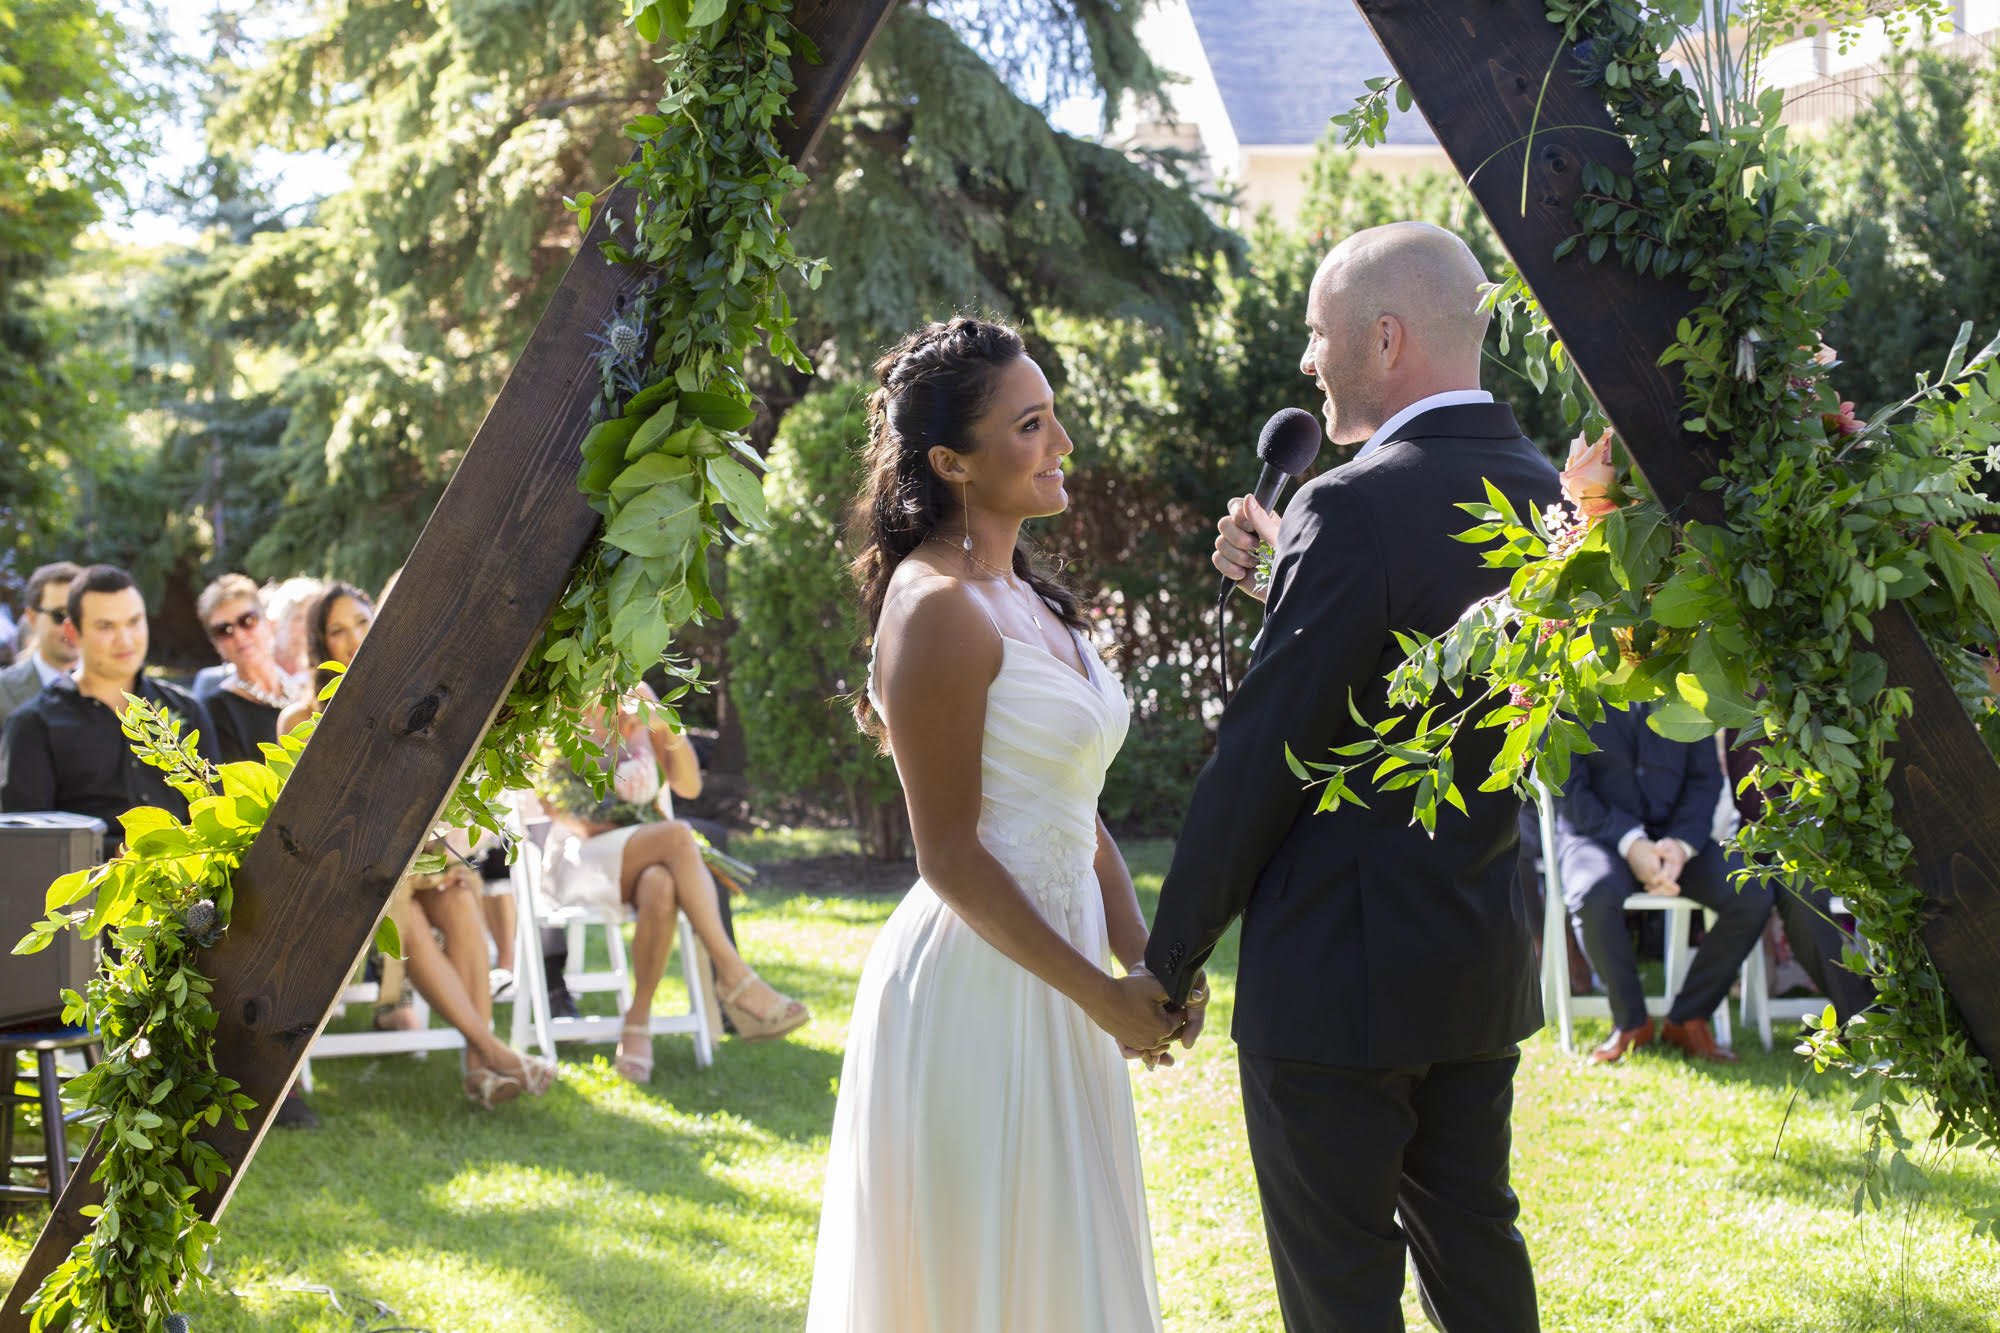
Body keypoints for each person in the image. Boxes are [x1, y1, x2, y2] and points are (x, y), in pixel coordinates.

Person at [1148, 223, 1558, 1331]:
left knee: (1340, 1295)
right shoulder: (1553, 495)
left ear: (1383, 336)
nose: (1304, 362)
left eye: (1317, 333)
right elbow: (1415, 664)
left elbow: (1266, 751)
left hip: (1335, 975)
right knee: (1477, 1259)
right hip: (1472, 952)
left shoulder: (1353, 503)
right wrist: (1293, 578)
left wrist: (1170, 951)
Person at [806, 318, 1180, 1333]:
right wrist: (1099, 993)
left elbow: (1075, 806)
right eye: (1030, 424)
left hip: (1066, 979)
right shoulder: (932, 609)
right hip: (978, 982)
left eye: (1053, 416)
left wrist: (1144, 962)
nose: (1061, 443)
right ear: (949, 462)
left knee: (1065, 1269)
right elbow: (949, 855)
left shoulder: (1030, 599)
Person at [282, 581, 553, 1105]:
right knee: (399, 911)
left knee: (459, 898)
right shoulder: (302, 718)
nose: (354, 638)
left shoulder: (417, 701)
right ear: (321, 646)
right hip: (348, 877)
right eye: (337, 631)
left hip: (421, 863)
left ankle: (481, 1071)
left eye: (363, 622)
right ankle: (492, 1051)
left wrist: (441, 849)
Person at [536, 688, 809, 1082]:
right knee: (679, 836)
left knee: (661, 884)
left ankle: (637, 1021)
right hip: (581, 854)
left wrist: (668, 728)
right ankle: (733, 974)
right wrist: (643, 833)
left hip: (646, 854)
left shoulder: (637, 698)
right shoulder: (556, 702)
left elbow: (689, 788)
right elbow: (564, 812)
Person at [1554, 705, 1775, 1065]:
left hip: (1677, 840)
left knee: (1751, 891)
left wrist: (1680, 845)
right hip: (1596, 837)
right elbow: (1566, 787)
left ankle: (1688, 1018)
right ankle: (1630, 1024)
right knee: (1593, 893)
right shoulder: (1571, 689)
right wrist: (1629, 842)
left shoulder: (1682, 686)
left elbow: (1705, 779)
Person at [1, 565, 219, 831]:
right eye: (106, 626)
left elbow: (215, 817)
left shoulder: (187, 709)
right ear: (72, 632)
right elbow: (30, 849)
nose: (125, 640)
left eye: (134, 621)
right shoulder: (34, 725)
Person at [191, 573, 308, 764]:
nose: (238, 635)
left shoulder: (305, 688)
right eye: (224, 630)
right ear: (216, 645)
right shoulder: (216, 711)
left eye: (247, 621)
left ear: (268, 623)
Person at [0, 562, 82, 740]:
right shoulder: (3, 691)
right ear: (32, 618)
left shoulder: (121, 689)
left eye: (80, 615)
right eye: (60, 615)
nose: (72, 628)